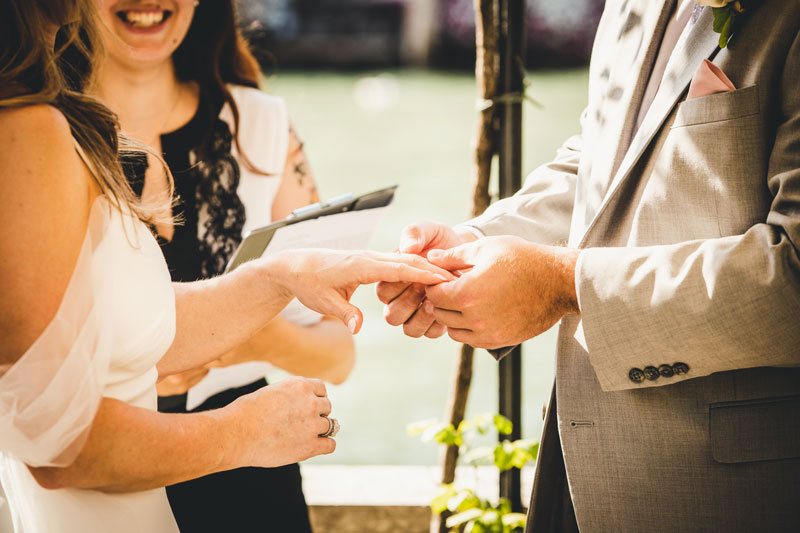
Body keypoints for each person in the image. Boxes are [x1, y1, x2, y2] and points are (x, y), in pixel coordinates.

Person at [0, 1, 451, 532]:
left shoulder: (254, 125)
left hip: (233, 487)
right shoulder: (32, 128)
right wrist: (241, 432)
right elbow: (57, 439)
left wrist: (277, 277)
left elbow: (116, 327)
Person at [378, 0, 800, 530]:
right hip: (571, 470)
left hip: (734, 496)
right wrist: (474, 243)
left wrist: (563, 284)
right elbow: (601, 163)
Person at [90, 1, 353, 530]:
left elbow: (339, 354)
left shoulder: (265, 128)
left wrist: (248, 338)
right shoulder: (33, 138)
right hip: (93, 483)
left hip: (252, 483)